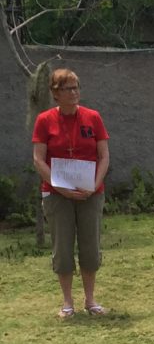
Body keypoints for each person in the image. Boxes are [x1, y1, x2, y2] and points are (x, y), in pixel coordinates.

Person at [31, 68, 110, 319]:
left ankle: (90, 299)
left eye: (77, 87)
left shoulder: (93, 117)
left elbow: (104, 155)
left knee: (90, 245)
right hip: (57, 194)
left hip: (90, 192)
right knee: (63, 247)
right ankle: (67, 302)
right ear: (56, 93)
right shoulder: (44, 120)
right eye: (68, 88)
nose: (75, 92)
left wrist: (95, 184)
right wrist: (59, 187)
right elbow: (38, 160)